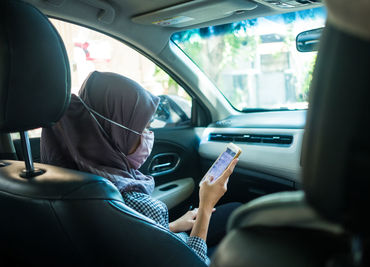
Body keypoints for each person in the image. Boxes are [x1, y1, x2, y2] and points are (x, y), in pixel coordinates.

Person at [40, 71, 239, 265]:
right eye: (143, 127)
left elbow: (125, 240)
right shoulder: (127, 201)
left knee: (233, 211)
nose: (148, 134)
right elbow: (193, 261)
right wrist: (205, 206)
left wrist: (170, 227)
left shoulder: (62, 181)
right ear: (116, 132)